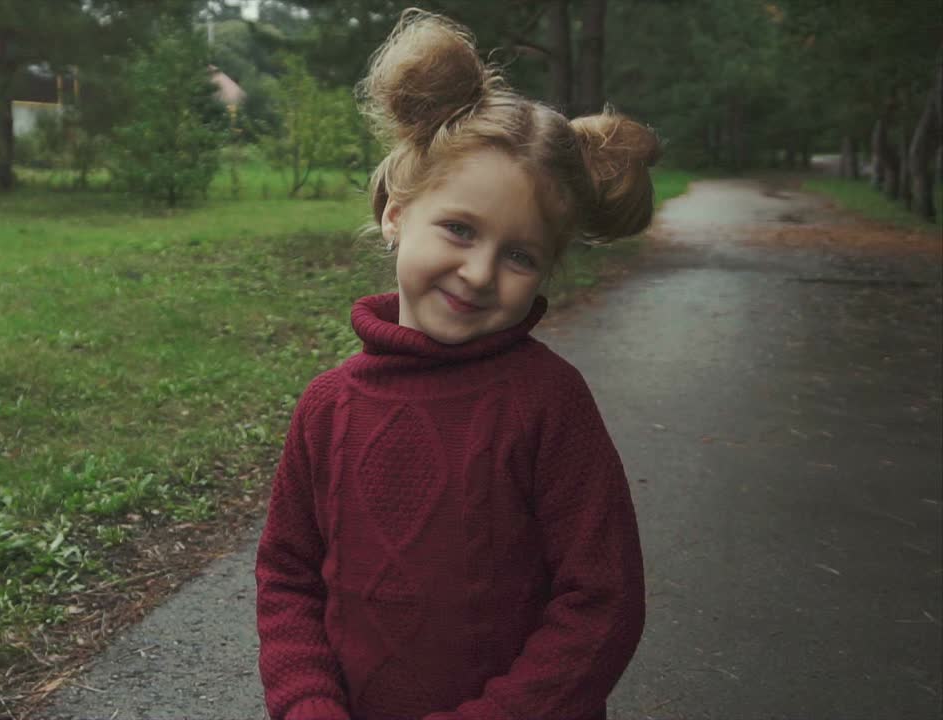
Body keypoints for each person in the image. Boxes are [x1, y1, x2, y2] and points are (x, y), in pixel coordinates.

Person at [255, 8, 659, 720]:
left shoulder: (548, 403)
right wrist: (308, 704)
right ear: (395, 211)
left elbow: (603, 601)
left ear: (546, 269)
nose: (477, 273)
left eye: (519, 255)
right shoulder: (328, 405)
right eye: (460, 229)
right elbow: (288, 577)